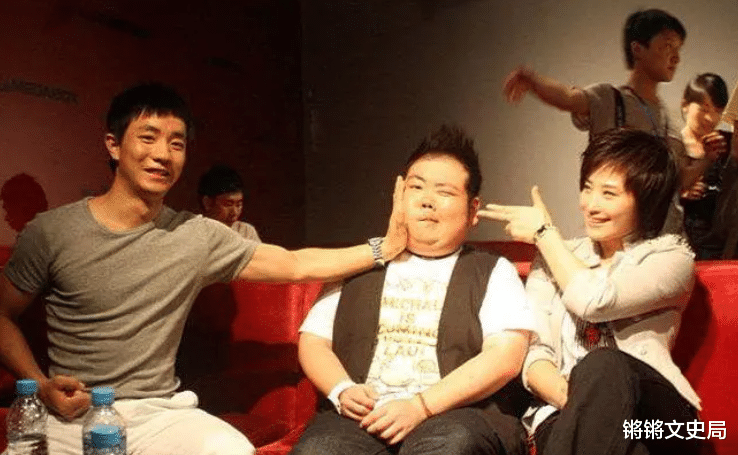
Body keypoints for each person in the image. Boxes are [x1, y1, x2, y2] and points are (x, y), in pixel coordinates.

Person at [0, 83, 407, 455]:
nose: (163, 154)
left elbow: (294, 264)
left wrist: (384, 248)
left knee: (232, 450)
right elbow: (2, 315)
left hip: (158, 414)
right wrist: (39, 384)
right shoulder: (52, 231)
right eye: (148, 137)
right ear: (114, 145)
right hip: (71, 417)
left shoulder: (196, 235)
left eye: (176, 143)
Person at [291, 125, 535, 455]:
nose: (426, 201)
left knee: (451, 447)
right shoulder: (361, 260)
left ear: (473, 210)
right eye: (416, 187)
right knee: (319, 451)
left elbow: (505, 356)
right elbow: (315, 341)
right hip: (362, 416)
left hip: (458, 414)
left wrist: (420, 406)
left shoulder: (493, 270)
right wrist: (341, 389)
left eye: (444, 192)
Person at [479, 129, 701, 455]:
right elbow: (535, 351)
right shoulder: (554, 254)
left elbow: (595, 301)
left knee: (604, 364)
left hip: (655, 417)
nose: (591, 205)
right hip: (563, 410)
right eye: (587, 188)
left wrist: (544, 234)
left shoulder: (671, 258)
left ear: (646, 200)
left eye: (609, 194)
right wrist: (580, 404)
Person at [503, 8, 705, 234]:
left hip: (668, 234)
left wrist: (708, 159)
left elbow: (677, 181)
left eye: (678, 49)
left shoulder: (671, 119)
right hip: (618, 235)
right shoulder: (610, 99)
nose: (676, 57)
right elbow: (569, 98)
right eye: (667, 46)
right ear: (638, 49)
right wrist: (533, 81)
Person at [678, 74, 729, 258]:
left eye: (718, 110)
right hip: (683, 244)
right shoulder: (671, 145)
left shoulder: (727, 143)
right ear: (685, 105)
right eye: (703, 109)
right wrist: (680, 194)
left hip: (724, 244)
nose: (711, 118)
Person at [198, 164, 260, 242]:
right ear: (207, 202)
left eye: (238, 205)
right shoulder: (194, 231)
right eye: (228, 204)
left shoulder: (246, 231)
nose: (234, 212)